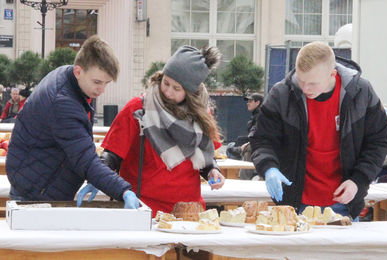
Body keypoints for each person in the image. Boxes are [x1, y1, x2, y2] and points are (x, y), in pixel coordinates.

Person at [77, 45, 225, 216]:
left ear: (191, 92)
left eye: (177, 88)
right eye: (166, 83)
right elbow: (112, 155)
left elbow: (205, 157)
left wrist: (213, 170)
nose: (168, 92)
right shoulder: (138, 109)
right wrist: (98, 178)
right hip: (143, 208)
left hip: (188, 211)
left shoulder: (201, 116)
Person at [250, 41, 387, 220]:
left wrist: (359, 180)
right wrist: (269, 167)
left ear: (332, 74)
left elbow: (378, 141)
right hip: (294, 201)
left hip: (345, 202)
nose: (305, 88)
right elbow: (262, 139)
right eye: (301, 81)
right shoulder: (282, 94)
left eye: (313, 84)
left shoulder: (361, 93)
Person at [6, 35, 139, 209]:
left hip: (37, 180)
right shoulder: (63, 103)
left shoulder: (66, 77)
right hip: (39, 191)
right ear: (78, 71)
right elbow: (86, 160)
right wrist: (123, 190)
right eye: (97, 82)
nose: (101, 90)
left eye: (106, 83)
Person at [226, 93, 263, 160]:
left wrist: (244, 145)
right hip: (251, 142)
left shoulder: (260, 116)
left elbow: (256, 135)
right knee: (231, 145)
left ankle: (234, 169)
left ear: (257, 102)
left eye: (250, 101)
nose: (247, 103)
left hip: (254, 145)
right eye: (247, 101)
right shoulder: (256, 114)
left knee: (230, 147)